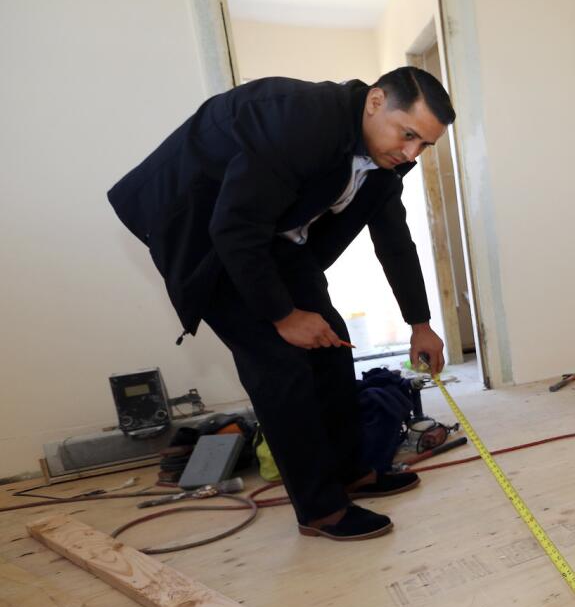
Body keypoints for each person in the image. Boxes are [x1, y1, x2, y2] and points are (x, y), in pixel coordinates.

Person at [110, 68, 454, 541]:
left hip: (268, 233)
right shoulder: (299, 120)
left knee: (331, 345)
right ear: (375, 102)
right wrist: (284, 316)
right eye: (409, 135)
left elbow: (393, 238)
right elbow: (232, 228)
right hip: (201, 226)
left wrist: (420, 323)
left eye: (425, 145)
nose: (412, 153)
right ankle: (321, 509)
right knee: (279, 365)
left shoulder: (388, 154)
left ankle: (350, 470)